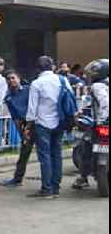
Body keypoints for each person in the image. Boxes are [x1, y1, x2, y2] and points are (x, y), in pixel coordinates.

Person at [27, 56, 71, 199]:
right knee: (56, 154)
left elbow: (32, 109)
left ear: (38, 69)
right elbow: (69, 98)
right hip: (59, 122)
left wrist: (28, 125)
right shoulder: (63, 80)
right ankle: (56, 188)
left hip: (42, 124)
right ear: (52, 67)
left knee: (45, 156)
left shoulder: (37, 83)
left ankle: (47, 189)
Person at [74, 59, 109, 190]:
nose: (91, 75)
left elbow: (105, 103)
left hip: (101, 124)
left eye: (94, 72)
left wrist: (103, 120)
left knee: (85, 147)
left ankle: (83, 178)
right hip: (103, 124)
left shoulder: (97, 86)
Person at [2, 70, 34, 187]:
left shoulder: (28, 90)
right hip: (23, 124)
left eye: (13, 78)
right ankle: (17, 179)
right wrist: (22, 133)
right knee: (24, 153)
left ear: (19, 79)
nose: (11, 81)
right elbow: (15, 117)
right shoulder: (9, 97)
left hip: (35, 122)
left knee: (44, 153)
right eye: (8, 79)